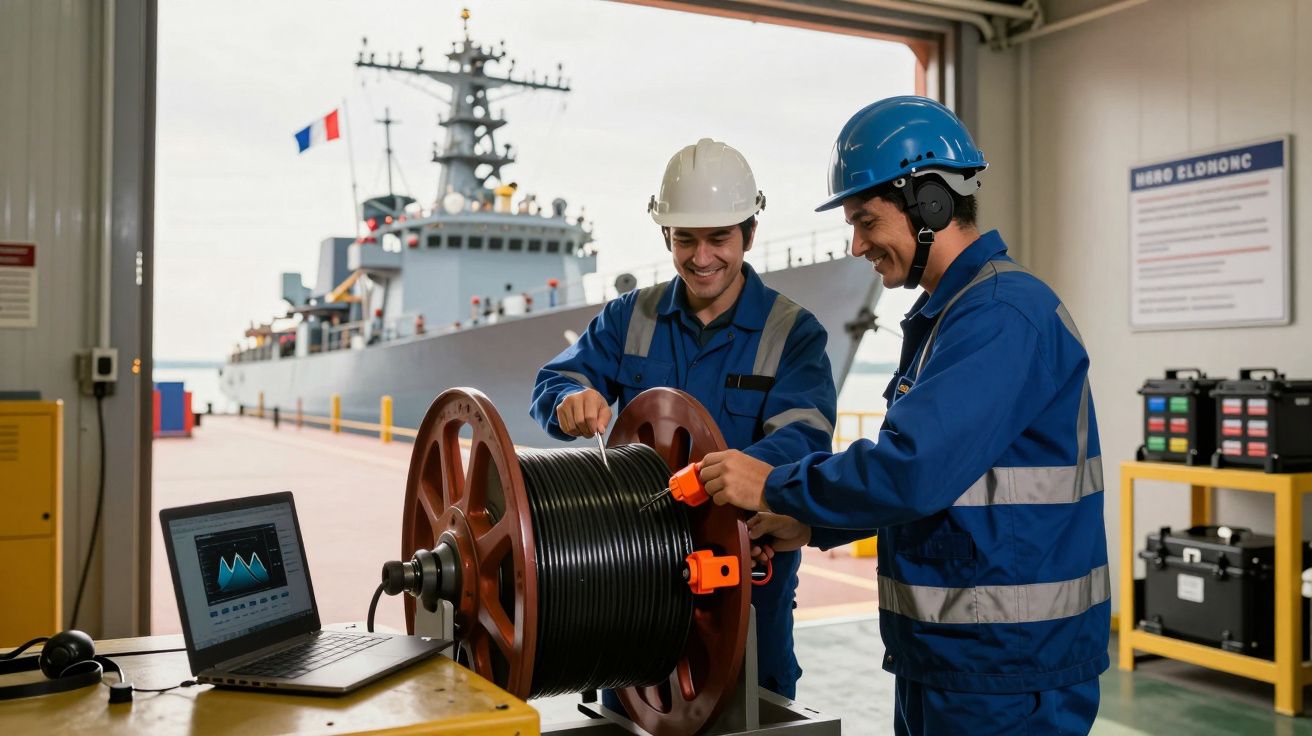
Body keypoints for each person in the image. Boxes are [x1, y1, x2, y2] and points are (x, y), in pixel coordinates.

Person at [698, 97, 1108, 735]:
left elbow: (913, 468)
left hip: (1006, 672)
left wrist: (771, 484)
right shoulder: (949, 318)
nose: (856, 244)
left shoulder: (1001, 316)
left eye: (866, 220)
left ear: (932, 205)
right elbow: (941, 490)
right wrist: (807, 523)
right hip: (951, 660)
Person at [530, 138, 838, 699]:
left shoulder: (794, 334)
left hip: (744, 600)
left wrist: (732, 483)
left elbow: (803, 440)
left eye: (719, 238)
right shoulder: (630, 317)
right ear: (666, 237)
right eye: (684, 240)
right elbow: (557, 380)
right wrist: (569, 400)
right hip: (629, 597)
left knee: (750, 716)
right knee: (630, 716)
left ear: (750, 233)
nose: (701, 258)